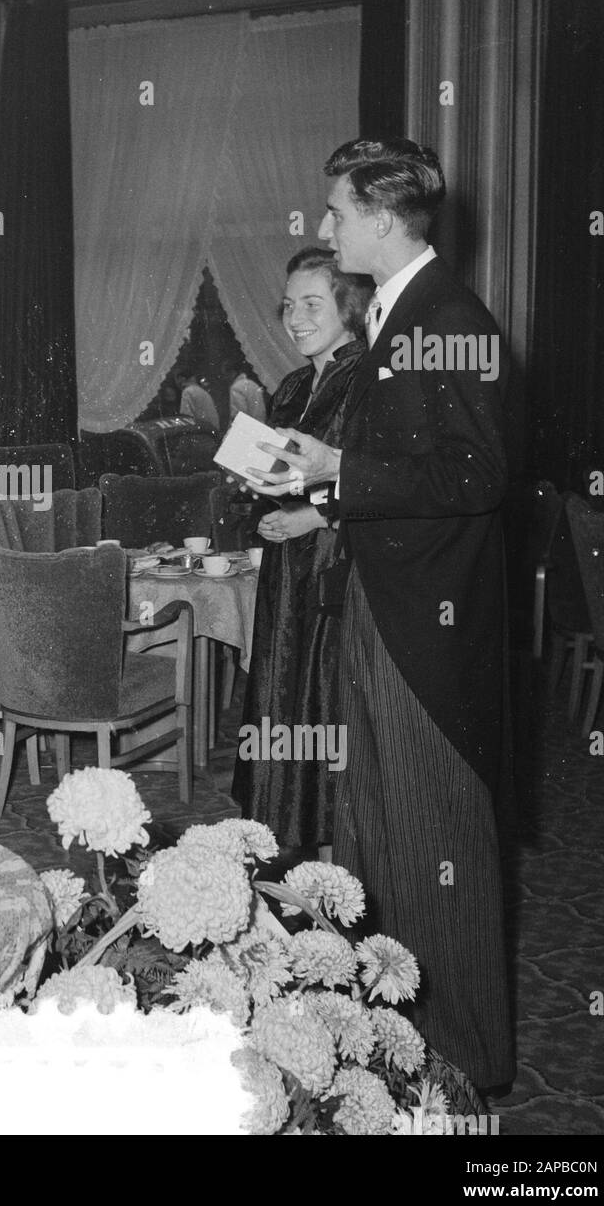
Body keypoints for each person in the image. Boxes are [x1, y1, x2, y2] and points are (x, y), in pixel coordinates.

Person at [247, 138, 514, 1093]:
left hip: (426, 635)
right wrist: (330, 479)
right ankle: (397, 1043)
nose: (324, 228)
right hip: (381, 606)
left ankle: (463, 1063)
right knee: (379, 831)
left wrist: (336, 472)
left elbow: (479, 477)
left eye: (336, 213)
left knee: (433, 834)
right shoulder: (401, 317)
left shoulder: (451, 317)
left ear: (383, 220)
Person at [232, 248, 371, 856]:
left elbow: (377, 479)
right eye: (289, 306)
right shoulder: (291, 385)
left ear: (349, 307)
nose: (295, 318)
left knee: (321, 695)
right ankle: (282, 840)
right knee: (281, 693)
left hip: (334, 562)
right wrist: (251, 479)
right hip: (287, 566)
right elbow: (279, 471)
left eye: (312, 304)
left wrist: (310, 515)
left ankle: (330, 855)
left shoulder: (365, 377)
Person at [177, 368, 222, 433]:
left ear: (182, 379)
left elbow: (186, 416)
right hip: (213, 432)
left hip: (201, 433)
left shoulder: (187, 392)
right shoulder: (203, 392)